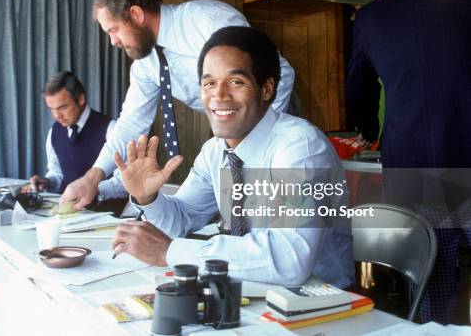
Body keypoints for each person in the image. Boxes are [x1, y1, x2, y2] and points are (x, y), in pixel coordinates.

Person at [110, 26, 354, 288]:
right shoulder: (215, 151)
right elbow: (180, 220)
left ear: (266, 89)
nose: (219, 95)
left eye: (236, 82)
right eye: (209, 83)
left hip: (318, 303)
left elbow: (289, 258)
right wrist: (148, 198)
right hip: (249, 291)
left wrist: (171, 252)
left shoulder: (300, 146)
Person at [60, 0, 295, 210]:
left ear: (136, 15)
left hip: (273, 119)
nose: (113, 42)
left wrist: (253, 142)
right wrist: (92, 178)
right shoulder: (145, 65)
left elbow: (281, 75)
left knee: (283, 216)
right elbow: (131, 125)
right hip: (231, 132)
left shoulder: (206, 20)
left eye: (113, 30)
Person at [346, 0, 471, 323]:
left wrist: (366, 127)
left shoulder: (370, 16)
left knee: (429, 278)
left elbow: (358, 87)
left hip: (412, 164)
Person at [21, 72, 126, 200]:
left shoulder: (111, 129)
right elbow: (58, 174)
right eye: (52, 109)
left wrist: (92, 188)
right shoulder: (54, 131)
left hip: (104, 214)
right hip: (67, 213)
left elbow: (124, 182)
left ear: (81, 99)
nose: (56, 116)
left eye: (63, 107)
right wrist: (47, 182)